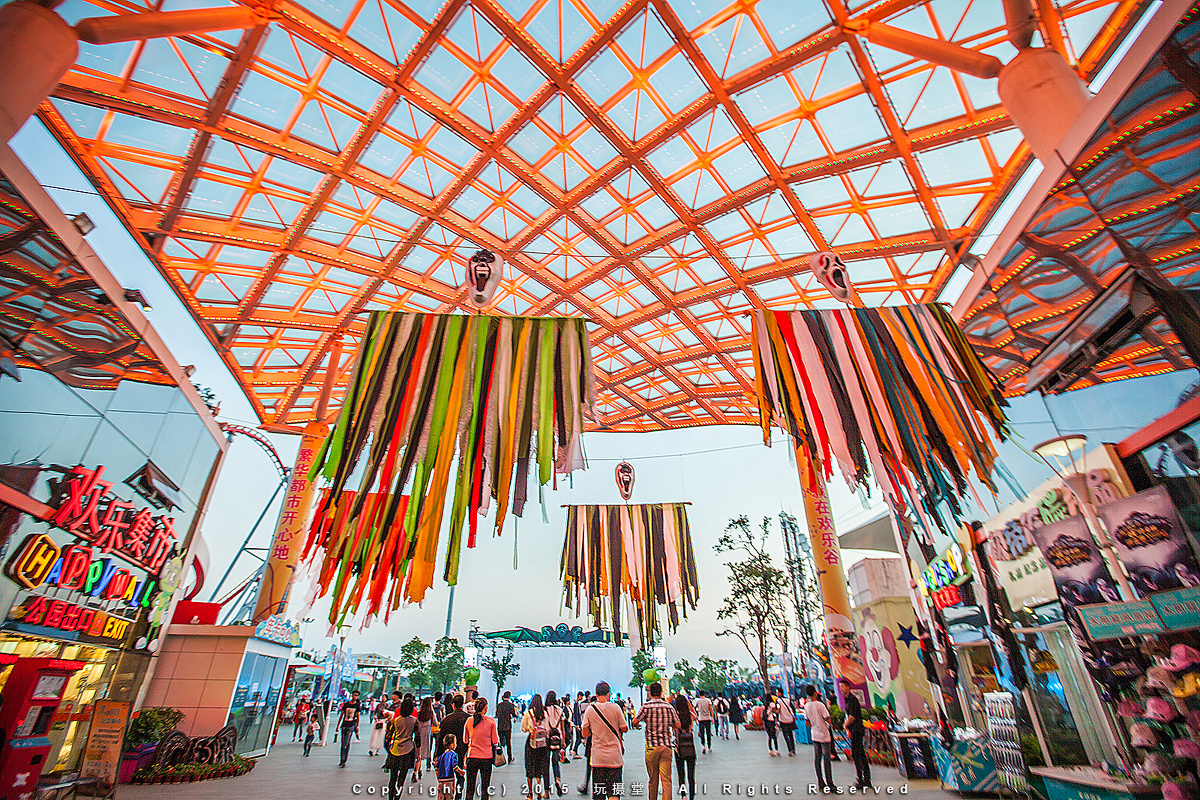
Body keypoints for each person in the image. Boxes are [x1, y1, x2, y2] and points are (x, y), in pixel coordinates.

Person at [631, 682, 678, 800]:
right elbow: (678, 724)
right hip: (666, 746)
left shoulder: (646, 706)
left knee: (653, 780)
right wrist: (669, 724)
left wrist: (639, 726)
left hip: (652, 747)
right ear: (661, 692)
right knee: (666, 780)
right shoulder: (668, 707)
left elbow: (634, 721)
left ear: (650, 693)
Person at [581, 681, 627, 800]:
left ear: (596, 695)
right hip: (614, 758)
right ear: (608, 694)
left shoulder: (590, 710)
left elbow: (584, 733)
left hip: (598, 758)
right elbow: (625, 728)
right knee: (614, 793)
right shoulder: (615, 708)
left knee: (599, 793)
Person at [464, 697, 499, 800]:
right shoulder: (491, 721)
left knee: (470, 788)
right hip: (486, 758)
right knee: (485, 788)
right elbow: (495, 741)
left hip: (472, 756)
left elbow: (465, 740)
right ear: (485, 708)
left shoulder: (469, 720)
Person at [840, 679, 872, 790]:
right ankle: (865, 779)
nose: (841, 689)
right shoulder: (847, 700)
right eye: (840, 687)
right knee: (860, 754)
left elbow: (852, 717)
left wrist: (845, 726)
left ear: (848, 687)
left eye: (842, 686)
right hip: (853, 729)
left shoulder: (853, 700)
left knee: (857, 754)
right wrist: (848, 728)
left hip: (857, 730)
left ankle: (862, 779)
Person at [387, 698, 419, 796]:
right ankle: (397, 797)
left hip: (395, 749)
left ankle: (390, 796)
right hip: (408, 749)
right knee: (402, 778)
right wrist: (418, 753)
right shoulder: (414, 721)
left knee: (393, 777)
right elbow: (418, 738)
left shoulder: (396, 720)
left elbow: (388, 736)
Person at [804, 687, 833, 794]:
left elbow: (806, 721)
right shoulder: (820, 705)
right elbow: (828, 718)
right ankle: (830, 783)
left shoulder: (807, 706)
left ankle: (821, 783)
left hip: (814, 734)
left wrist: (814, 726)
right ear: (815, 693)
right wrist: (826, 725)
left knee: (817, 759)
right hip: (824, 735)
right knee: (826, 759)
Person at [522, 694, 551, 800]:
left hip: (531, 742)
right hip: (542, 744)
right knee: (539, 767)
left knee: (529, 767)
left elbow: (523, 728)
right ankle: (539, 792)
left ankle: (530, 793)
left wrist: (531, 729)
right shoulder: (544, 713)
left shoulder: (529, 713)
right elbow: (547, 729)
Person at [672, 693, 697, 799]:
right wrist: (689, 705)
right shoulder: (690, 715)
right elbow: (696, 716)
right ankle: (692, 796)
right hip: (690, 747)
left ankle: (683, 795)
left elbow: (673, 726)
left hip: (679, 747)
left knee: (681, 773)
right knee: (691, 776)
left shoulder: (676, 716)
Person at [545, 691, 568, 795]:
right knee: (555, 763)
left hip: (547, 739)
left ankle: (546, 789)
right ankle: (557, 779)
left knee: (546, 763)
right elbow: (562, 728)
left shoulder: (545, 710)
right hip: (557, 739)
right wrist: (563, 741)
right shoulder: (560, 710)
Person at [337, 689, 363, 767]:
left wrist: (357, 726)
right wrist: (338, 725)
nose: (355, 697)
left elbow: (358, 716)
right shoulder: (346, 704)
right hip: (344, 724)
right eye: (354, 695)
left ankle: (344, 760)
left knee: (347, 743)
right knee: (343, 743)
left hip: (351, 725)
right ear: (352, 695)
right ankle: (342, 759)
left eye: (357, 695)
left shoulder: (357, 705)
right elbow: (342, 715)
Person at [437, 734, 467, 800]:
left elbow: (437, 767)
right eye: (455, 743)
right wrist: (461, 771)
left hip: (441, 781)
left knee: (441, 797)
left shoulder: (441, 756)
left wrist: (438, 777)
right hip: (449, 780)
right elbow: (455, 766)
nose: (456, 745)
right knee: (449, 797)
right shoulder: (453, 755)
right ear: (452, 745)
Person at [497, 691, 518, 764]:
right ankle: (509, 757)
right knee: (508, 742)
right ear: (509, 696)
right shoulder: (510, 705)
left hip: (500, 726)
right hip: (507, 726)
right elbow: (514, 714)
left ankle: (500, 757)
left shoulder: (499, 705)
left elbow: (497, 714)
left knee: (500, 742)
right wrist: (514, 715)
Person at [419, 697, 436, 777]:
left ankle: (418, 768)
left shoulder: (419, 713)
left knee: (419, 750)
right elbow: (435, 723)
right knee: (428, 748)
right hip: (428, 734)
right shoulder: (431, 713)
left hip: (419, 734)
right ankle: (428, 765)